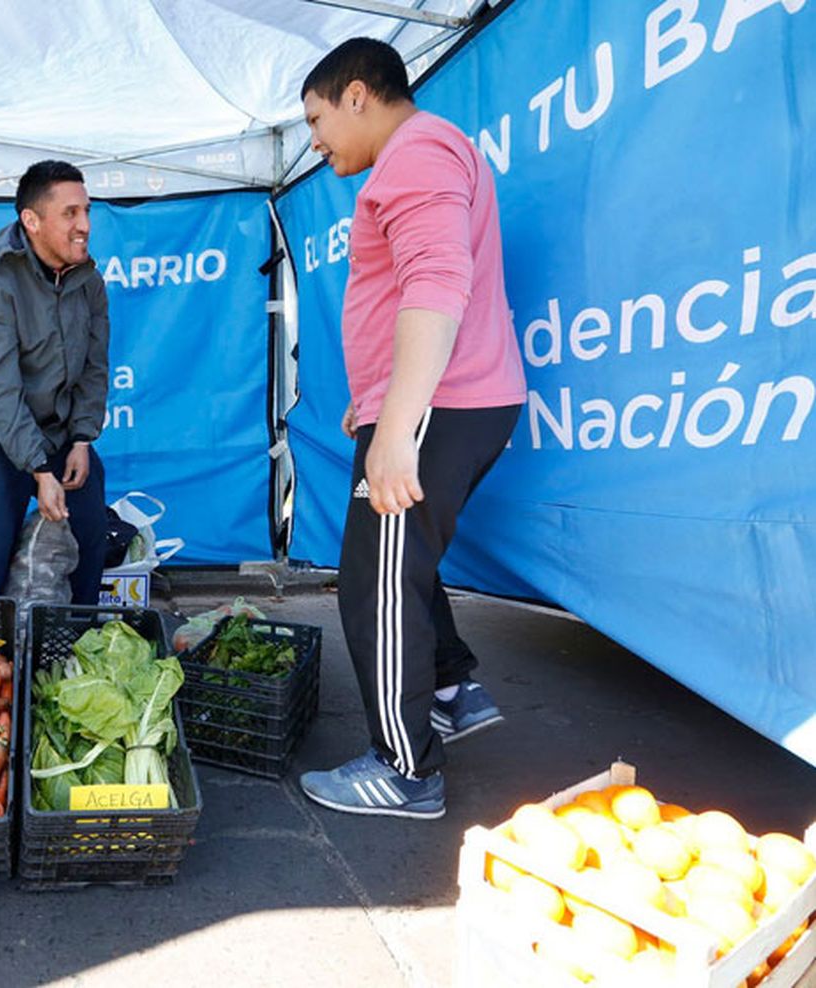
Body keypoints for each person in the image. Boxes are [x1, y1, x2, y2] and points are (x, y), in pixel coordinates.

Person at [295, 39, 527, 819]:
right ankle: (453, 688)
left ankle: (405, 770)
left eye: (318, 118)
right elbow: (405, 294)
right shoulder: (428, 152)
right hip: (441, 401)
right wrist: (372, 401)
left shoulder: (417, 154)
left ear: (357, 95)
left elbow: (435, 283)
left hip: (437, 406)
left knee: (378, 580)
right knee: (406, 558)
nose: (316, 139)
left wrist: (397, 426)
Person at [0, 159, 110, 606]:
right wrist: (40, 471)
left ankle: (75, 644)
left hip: (60, 432)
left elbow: (94, 369)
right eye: (70, 214)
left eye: (87, 211)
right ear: (32, 222)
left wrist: (81, 439)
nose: (84, 226)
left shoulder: (89, 281)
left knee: (91, 531)